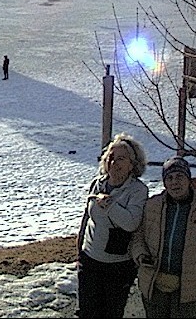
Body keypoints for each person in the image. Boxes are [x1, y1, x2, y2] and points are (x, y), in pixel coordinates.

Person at [130, 156, 196, 319]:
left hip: (189, 287)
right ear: (164, 183)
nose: (175, 182)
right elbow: (138, 237)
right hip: (154, 284)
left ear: (188, 180)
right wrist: (140, 255)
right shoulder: (152, 205)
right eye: (170, 178)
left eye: (180, 176)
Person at [76, 133, 149, 318]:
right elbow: (87, 218)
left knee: (112, 313)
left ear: (132, 164)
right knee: (87, 313)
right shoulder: (98, 184)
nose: (114, 162)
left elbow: (131, 223)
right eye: (110, 157)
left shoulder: (138, 190)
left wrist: (110, 205)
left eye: (121, 159)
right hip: (90, 260)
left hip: (118, 266)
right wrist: (80, 249)